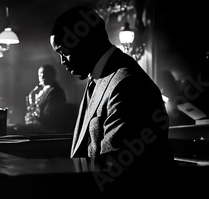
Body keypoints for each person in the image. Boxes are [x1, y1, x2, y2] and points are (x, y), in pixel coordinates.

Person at [50, 6, 175, 196]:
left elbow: (117, 171)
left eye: (64, 51)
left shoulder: (127, 83)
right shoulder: (102, 77)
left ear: (85, 41)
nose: (62, 61)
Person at [23, 64, 67, 133]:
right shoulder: (45, 90)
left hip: (51, 130)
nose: (42, 76)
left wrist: (34, 116)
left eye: (45, 73)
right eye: (40, 75)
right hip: (44, 127)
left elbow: (50, 118)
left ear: (53, 75)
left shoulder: (55, 91)